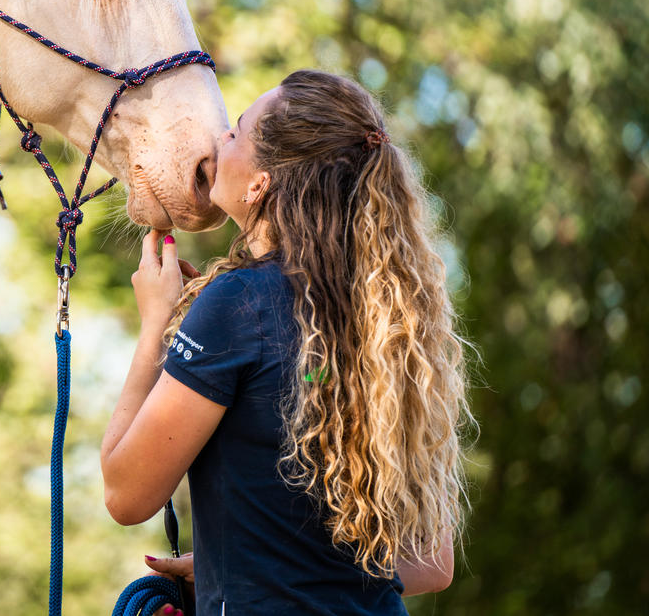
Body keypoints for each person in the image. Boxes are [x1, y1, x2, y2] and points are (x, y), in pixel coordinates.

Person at [100, 70, 473, 615]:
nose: (220, 137)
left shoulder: (238, 303)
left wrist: (156, 324)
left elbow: (125, 492)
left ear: (260, 184)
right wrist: (235, 561)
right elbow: (433, 564)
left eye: (237, 132)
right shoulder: (388, 329)